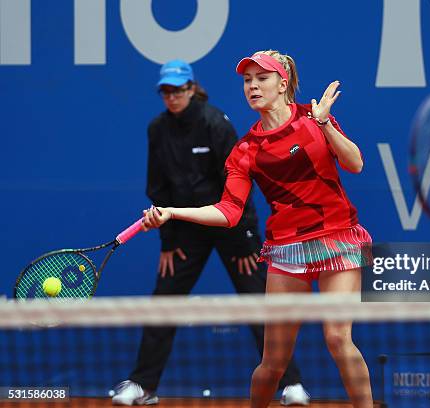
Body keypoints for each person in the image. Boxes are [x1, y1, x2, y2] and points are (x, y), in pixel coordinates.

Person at [141, 50, 374, 408]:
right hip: (287, 249)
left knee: (338, 338)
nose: (252, 86)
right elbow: (229, 211)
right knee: (273, 362)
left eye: (261, 79)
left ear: (283, 84)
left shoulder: (314, 119)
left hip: (336, 237)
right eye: (247, 81)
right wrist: (172, 212)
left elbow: (355, 163)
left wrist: (326, 124)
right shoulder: (246, 150)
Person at [112, 60, 309, 406]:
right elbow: (157, 185)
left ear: (192, 89)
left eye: (178, 90)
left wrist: (247, 240)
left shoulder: (215, 123)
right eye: (166, 91)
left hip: (229, 227)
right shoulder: (157, 129)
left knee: (258, 304)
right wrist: (168, 242)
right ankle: (143, 386)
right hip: (187, 228)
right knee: (164, 301)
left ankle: (290, 384)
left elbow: (240, 182)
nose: (172, 97)